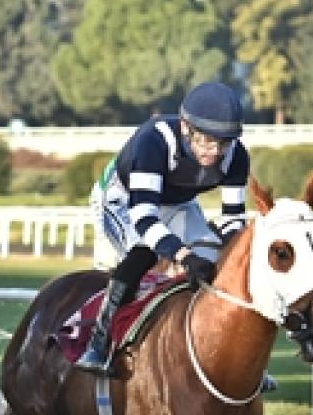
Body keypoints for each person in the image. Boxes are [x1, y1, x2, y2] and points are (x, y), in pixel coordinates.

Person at [77, 81, 251, 376]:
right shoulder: (154, 141)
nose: (215, 152)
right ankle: (98, 342)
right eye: (207, 141)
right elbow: (145, 217)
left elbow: (234, 218)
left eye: (223, 143)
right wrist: (184, 255)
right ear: (186, 128)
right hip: (124, 199)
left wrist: (230, 251)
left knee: (215, 260)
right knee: (143, 253)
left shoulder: (236, 156)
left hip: (180, 203)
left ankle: (226, 354)